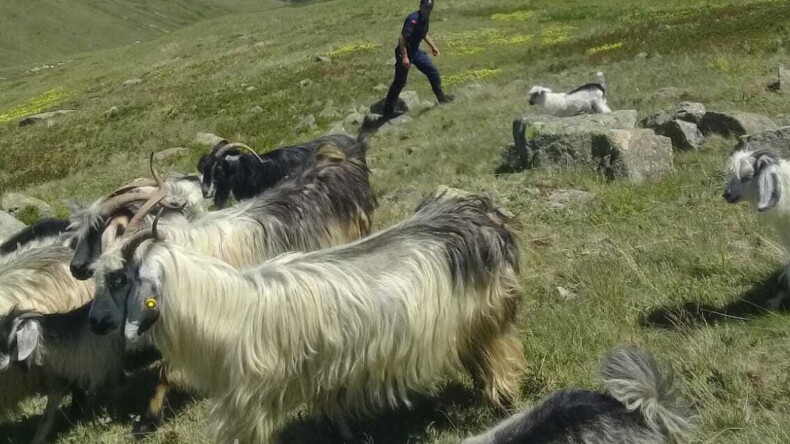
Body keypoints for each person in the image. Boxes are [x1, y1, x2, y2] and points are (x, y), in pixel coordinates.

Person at [382, 0, 454, 118]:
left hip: (415, 52)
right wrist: (405, 57)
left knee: (433, 72)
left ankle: (441, 97)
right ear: (420, 6)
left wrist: (433, 47)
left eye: (430, 7)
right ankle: (388, 110)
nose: (428, 9)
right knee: (400, 82)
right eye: (426, 7)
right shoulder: (413, 19)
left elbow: (424, 33)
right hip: (404, 51)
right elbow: (402, 38)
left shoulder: (425, 18)